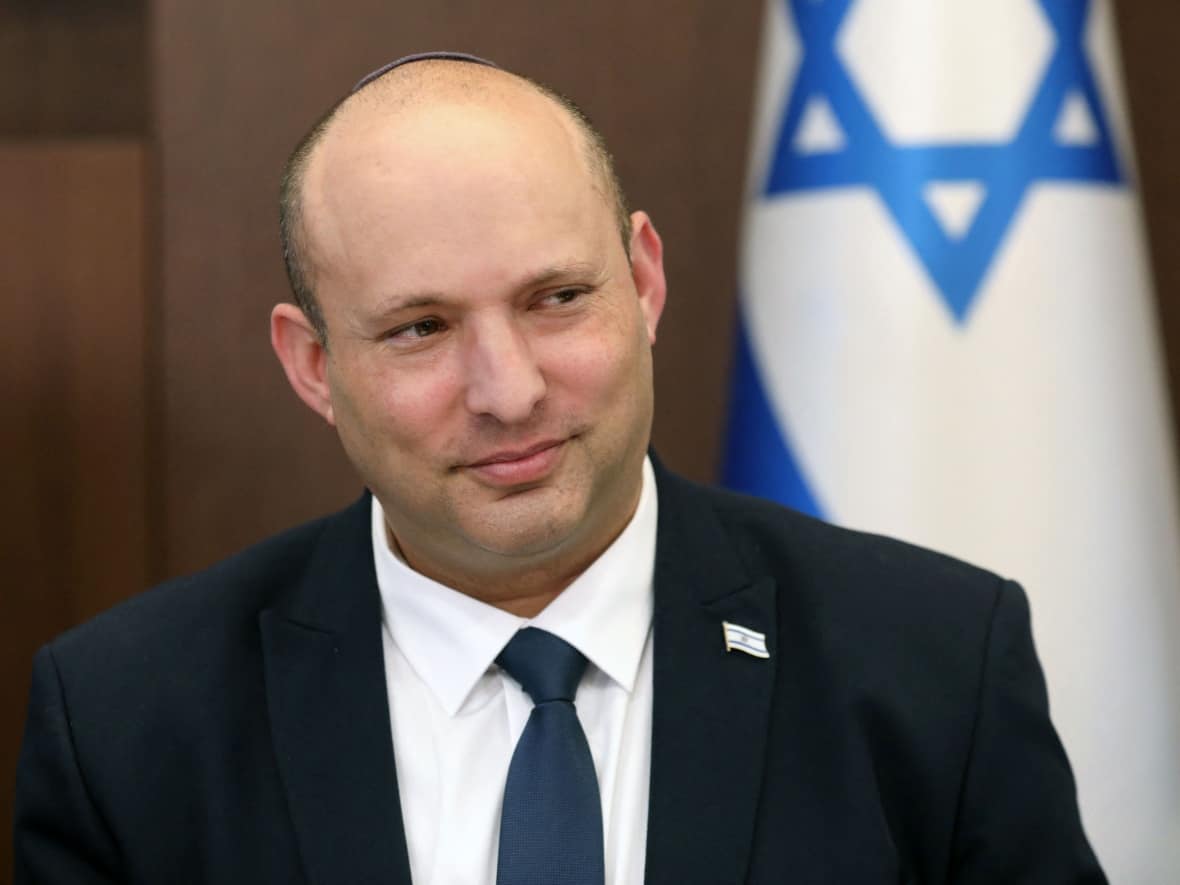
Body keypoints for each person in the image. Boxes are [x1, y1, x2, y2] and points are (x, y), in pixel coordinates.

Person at [14, 52, 1106, 884]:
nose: (510, 389)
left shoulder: (932, 664)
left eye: (557, 299)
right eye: (419, 329)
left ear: (643, 282)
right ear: (313, 365)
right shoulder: (128, 722)